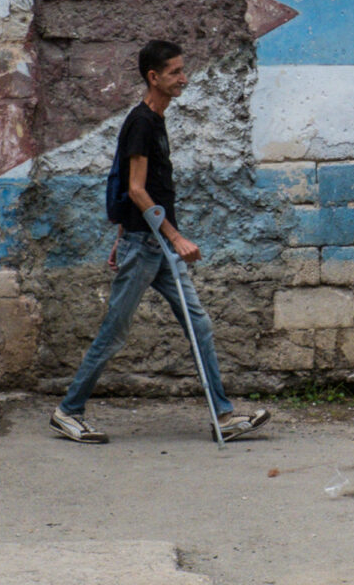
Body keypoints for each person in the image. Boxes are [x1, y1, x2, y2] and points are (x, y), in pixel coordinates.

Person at [50, 40, 270, 444]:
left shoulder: (156, 119)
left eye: (182, 70)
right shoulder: (142, 123)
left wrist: (131, 235)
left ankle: (223, 415)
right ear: (154, 77)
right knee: (114, 332)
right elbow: (135, 189)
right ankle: (68, 411)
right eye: (174, 72)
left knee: (198, 323)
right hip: (147, 246)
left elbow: (135, 187)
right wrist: (175, 236)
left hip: (152, 246)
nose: (183, 78)